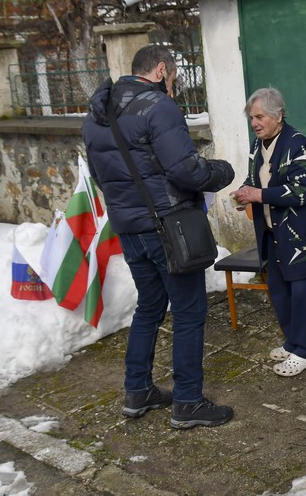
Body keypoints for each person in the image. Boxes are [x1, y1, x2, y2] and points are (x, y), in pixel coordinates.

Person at [82, 44, 235, 429]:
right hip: (166, 228)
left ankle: (138, 390)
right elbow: (186, 170)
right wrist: (222, 171)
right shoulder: (158, 107)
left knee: (150, 306)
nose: (175, 85)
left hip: (129, 229)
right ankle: (187, 401)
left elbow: (101, 179)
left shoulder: (96, 115)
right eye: (175, 78)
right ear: (161, 69)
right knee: (188, 312)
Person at [230, 87, 306, 377]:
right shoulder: (256, 145)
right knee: (280, 289)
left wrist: (258, 195)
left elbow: (303, 191)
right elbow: (254, 180)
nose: (255, 123)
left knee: (303, 293)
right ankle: (293, 342)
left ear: (278, 115)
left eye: (260, 117)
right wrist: (244, 193)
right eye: (252, 118)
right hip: (273, 233)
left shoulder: (297, 143)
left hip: (303, 236)